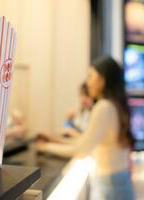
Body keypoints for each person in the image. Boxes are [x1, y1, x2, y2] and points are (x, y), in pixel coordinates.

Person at [36, 56, 135, 200]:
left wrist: (45, 147)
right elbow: (85, 142)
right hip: (117, 179)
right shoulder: (114, 105)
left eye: (91, 76)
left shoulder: (103, 107)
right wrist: (54, 140)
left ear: (103, 79)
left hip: (109, 184)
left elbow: (81, 150)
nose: (87, 82)